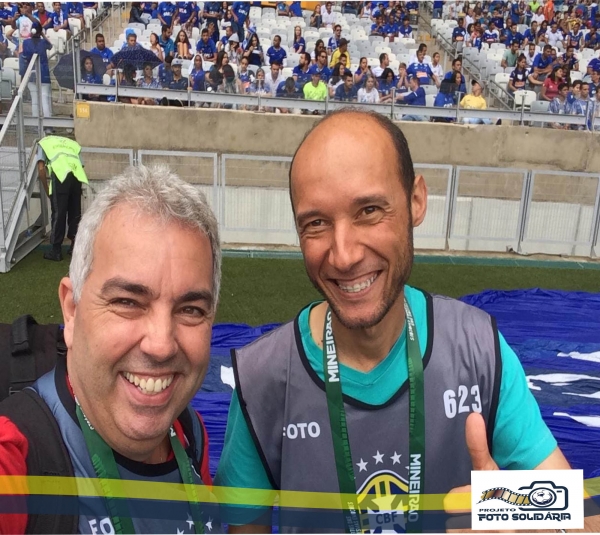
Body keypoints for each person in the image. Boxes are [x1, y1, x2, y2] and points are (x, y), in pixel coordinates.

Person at [214, 108, 580, 534]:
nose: (344, 255)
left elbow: (581, 519)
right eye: (316, 223)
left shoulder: (479, 350)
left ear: (416, 201)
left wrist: (510, 513)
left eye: (369, 210)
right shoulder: (261, 380)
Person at [0, 165, 221, 534]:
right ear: (72, 310)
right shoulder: (16, 456)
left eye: (190, 309)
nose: (161, 344)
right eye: (127, 302)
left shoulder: (189, 431)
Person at [34, 136, 88, 261]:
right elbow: (81, 165)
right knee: (75, 213)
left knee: (59, 213)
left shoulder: (45, 143)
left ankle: (56, 250)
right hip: (76, 177)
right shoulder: (72, 144)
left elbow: (41, 169)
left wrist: (47, 189)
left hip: (60, 177)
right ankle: (74, 247)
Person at [20, 22, 52, 118]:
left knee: (35, 101)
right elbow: (50, 46)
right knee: (44, 100)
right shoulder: (43, 42)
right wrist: (42, 34)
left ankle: (35, 123)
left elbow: (25, 56)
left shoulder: (26, 43)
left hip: (31, 74)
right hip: (44, 74)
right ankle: (47, 123)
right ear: (40, 31)